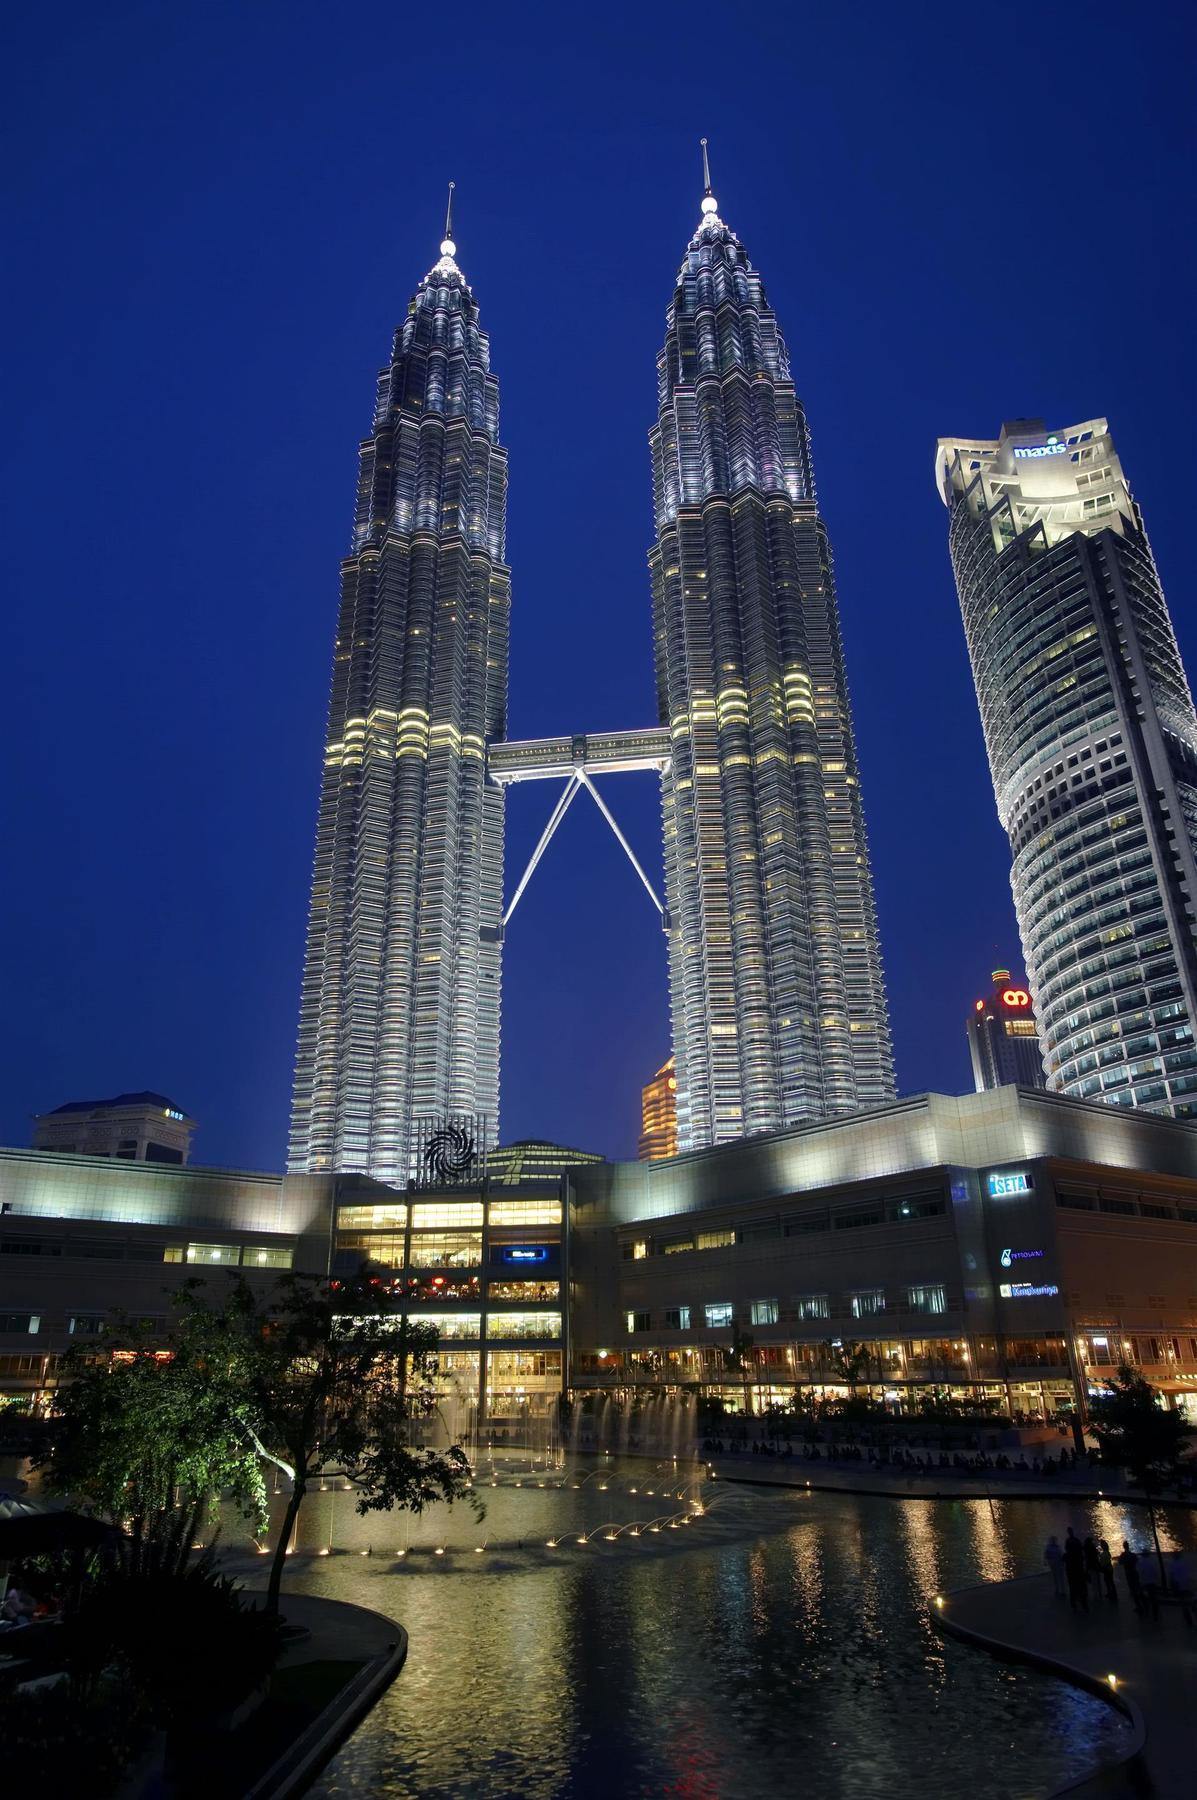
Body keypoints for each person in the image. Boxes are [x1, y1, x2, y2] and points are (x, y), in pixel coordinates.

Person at [1063, 1527, 1089, 1612]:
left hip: (1072, 1572)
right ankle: (1083, 1604)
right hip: (1079, 1570)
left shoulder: (1068, 1554)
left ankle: (1074, 1604)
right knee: (1081, 1587)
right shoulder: (1077, 1542)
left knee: (1073, 1588)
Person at [1117, 1540, 1144, 1615]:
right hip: (1134, 1571)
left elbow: (1120, 1562)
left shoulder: (1123, 1555)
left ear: (1124, 1546)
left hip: (1128, 1573)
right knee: (1138, 1587)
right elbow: (1136, 1561)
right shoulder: (1133, 1555)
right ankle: (1143, 1603)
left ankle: (1138, 1606)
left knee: (1133, 1590)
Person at [1096, 1539, 1118, 1603]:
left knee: (1108, 1581)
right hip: (1109, 1569)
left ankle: (1111, 1594)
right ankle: (1112, 1593)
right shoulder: (1107, 1553)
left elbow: (1102, 1562)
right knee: (1110, 1581)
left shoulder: (1104, 1554)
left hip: (1106, 1570)